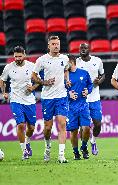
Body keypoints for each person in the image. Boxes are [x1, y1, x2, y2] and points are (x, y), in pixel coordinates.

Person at [31, 35, 69, 163]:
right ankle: (47, 147)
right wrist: (44, 82)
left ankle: (61, 155)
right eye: (53, 44)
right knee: (48, 128)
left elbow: (66, 70)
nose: (56, 46)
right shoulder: (42, 60)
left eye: (57, 43)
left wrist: (67, 80)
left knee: (62, 123)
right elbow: (33, 75)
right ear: (48, 46)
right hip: (47, 97)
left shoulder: (65, 58)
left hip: (62, 96)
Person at [0, 46, 39, 160]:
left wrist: (33, 87)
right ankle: (24, 151)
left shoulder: (31, 66)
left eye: (20, 56)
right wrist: (4, 92)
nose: (17, 58)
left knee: (31, 128)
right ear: (13, 56)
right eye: (15, 56)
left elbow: (38, 81)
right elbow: (2, 80)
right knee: (21, 125)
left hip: (29, 101)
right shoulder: (9, 67)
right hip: (16, 100)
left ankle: (27, 142)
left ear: (24, 55)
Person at [76, 43, 105, 155]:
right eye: (81, 48)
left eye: (85, 48)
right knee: (84, 127)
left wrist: (100, 81)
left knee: (97, 124)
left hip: (95, 98)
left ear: (89, 49)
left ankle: (93, 140)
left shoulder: (97, 61)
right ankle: (84, 148)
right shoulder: (76, 62)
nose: (83, 50)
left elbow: (103, 75)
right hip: (81, 99)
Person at [65, 54, 93, 160]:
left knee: (86, 128)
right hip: (70, 108)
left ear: (71, 62)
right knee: (73, 131)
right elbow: (60, 90)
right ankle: (76, 152)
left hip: (83, 105)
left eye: (66, 63)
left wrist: (87, 90)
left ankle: (84, 147)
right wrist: (69, 94)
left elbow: (90, 85)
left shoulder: (84, 73)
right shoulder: (64, 76)